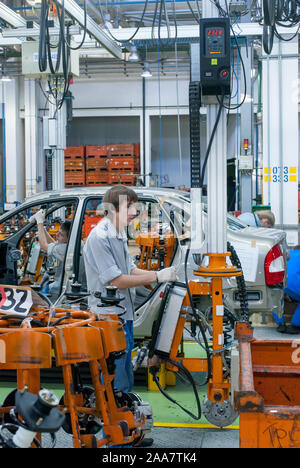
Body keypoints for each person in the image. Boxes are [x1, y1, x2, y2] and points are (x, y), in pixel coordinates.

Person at [83, 185, 177, 393]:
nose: (135, 212)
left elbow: (130, 269)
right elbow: (116, 280)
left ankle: (123, 417)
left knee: (124, 371)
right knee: (115, 378)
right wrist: (157, 276)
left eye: (135, 206)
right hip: (108, 317)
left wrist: (158, 276)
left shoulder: (118, 233)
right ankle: (110, 421)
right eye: (130, 207)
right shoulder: (100, 237)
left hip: (123, 314)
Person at [30, 209, 71, 299]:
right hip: (64, 285)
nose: (57, 235)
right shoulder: (74, 243)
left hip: (60, 289)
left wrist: (40, 223)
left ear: (69, 239)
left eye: (61, 235)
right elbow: (53, 244)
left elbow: (44, 245)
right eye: (58, 232)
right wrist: (42, 228)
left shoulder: (65, 248)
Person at [278, 246, 300, 334]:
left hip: (281, 284)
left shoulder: (287, 254)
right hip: (295, 285)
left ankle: (281, 323)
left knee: (274, 298)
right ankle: (295, 325)